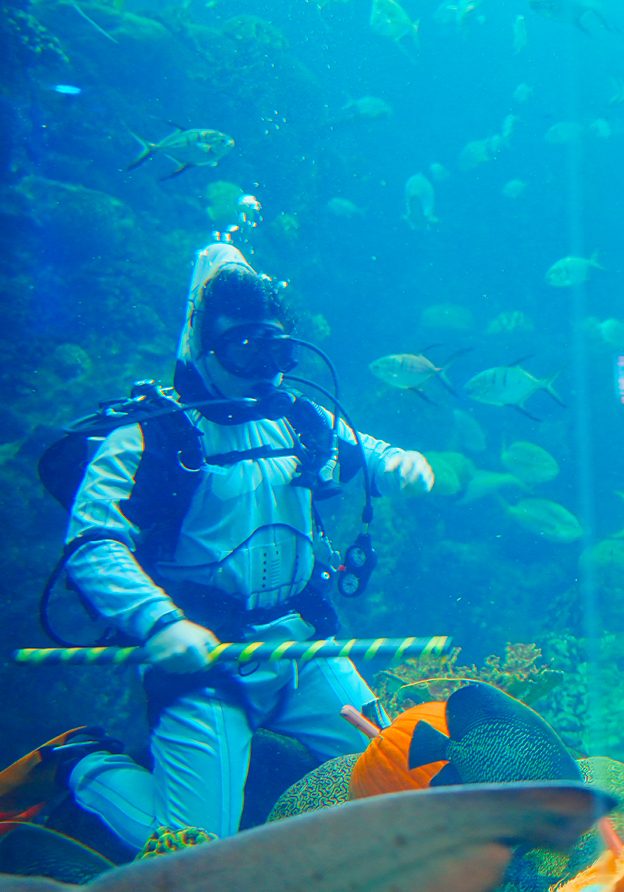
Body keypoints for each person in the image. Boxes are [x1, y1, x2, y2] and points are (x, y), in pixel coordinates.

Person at [55, 243, 435, 851]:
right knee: (188, 855)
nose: (265, 370)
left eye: (277, 350)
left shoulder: (303, 417)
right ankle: (83, 765)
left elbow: (363, 450)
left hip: (303, 646)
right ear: (205, 348)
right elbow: (92, 543)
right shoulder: (152, 434)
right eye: (243, 350)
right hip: (206, 662)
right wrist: (157, 623)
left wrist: (401, 464)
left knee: (402, 780)